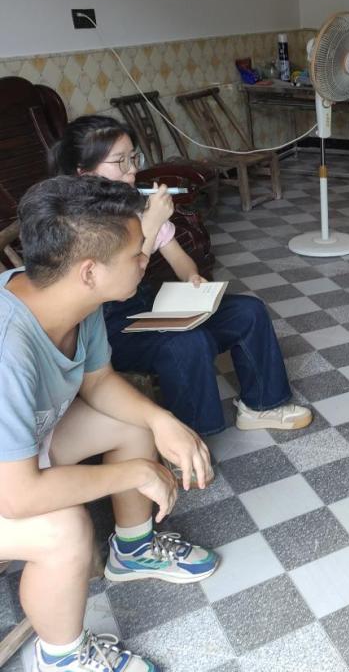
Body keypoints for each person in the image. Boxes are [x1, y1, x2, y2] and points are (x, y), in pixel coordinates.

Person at [0, 176, 220, 672]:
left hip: (21, 451)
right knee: (63, 530)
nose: (144, 259)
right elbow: (17, 497)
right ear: (89, 271)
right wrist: (137, 472)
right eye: (136, 253)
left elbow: (98, 383)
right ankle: (61, 658)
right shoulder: (7, 349)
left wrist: (162, 420)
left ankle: (134, 549)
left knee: (132, 420)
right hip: (9, 481)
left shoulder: (75, 301)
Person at [54, 115, 311, 436]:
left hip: (149, 309)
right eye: (120, 162)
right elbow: (120, 286)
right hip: (109, 331)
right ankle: (190, 439)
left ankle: (261, 406)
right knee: (188, 342)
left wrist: (193, 279)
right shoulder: (78, 221)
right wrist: (149, 224)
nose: (132, 170)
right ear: (85, 172)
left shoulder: (138, 206)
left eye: (133, 158)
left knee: (249, 311)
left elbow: (178, 259)